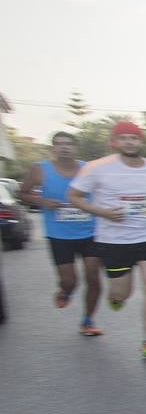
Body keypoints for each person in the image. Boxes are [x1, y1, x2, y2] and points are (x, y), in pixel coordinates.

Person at [67, 121, 146, 363]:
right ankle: (116, 298)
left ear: (142, 142)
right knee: (121, 293)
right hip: (114, 240)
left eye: (134, 138)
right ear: (114, 142)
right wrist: (101, 212)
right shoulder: (97, 168)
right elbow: (73, 196)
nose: (129, 142)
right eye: (123, 138)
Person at [19, 131, 103, 335]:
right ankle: (65, 290)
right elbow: (22, 192)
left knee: (93, 276)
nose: (64, 147)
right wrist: (42, 201)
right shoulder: (41, 170)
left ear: (76, 148)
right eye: (59, 144)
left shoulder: (89, 169)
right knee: (70, 281)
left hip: (90, 232)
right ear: (53, 148)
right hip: (59, 235)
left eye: (68, 144)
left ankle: (88, 321)